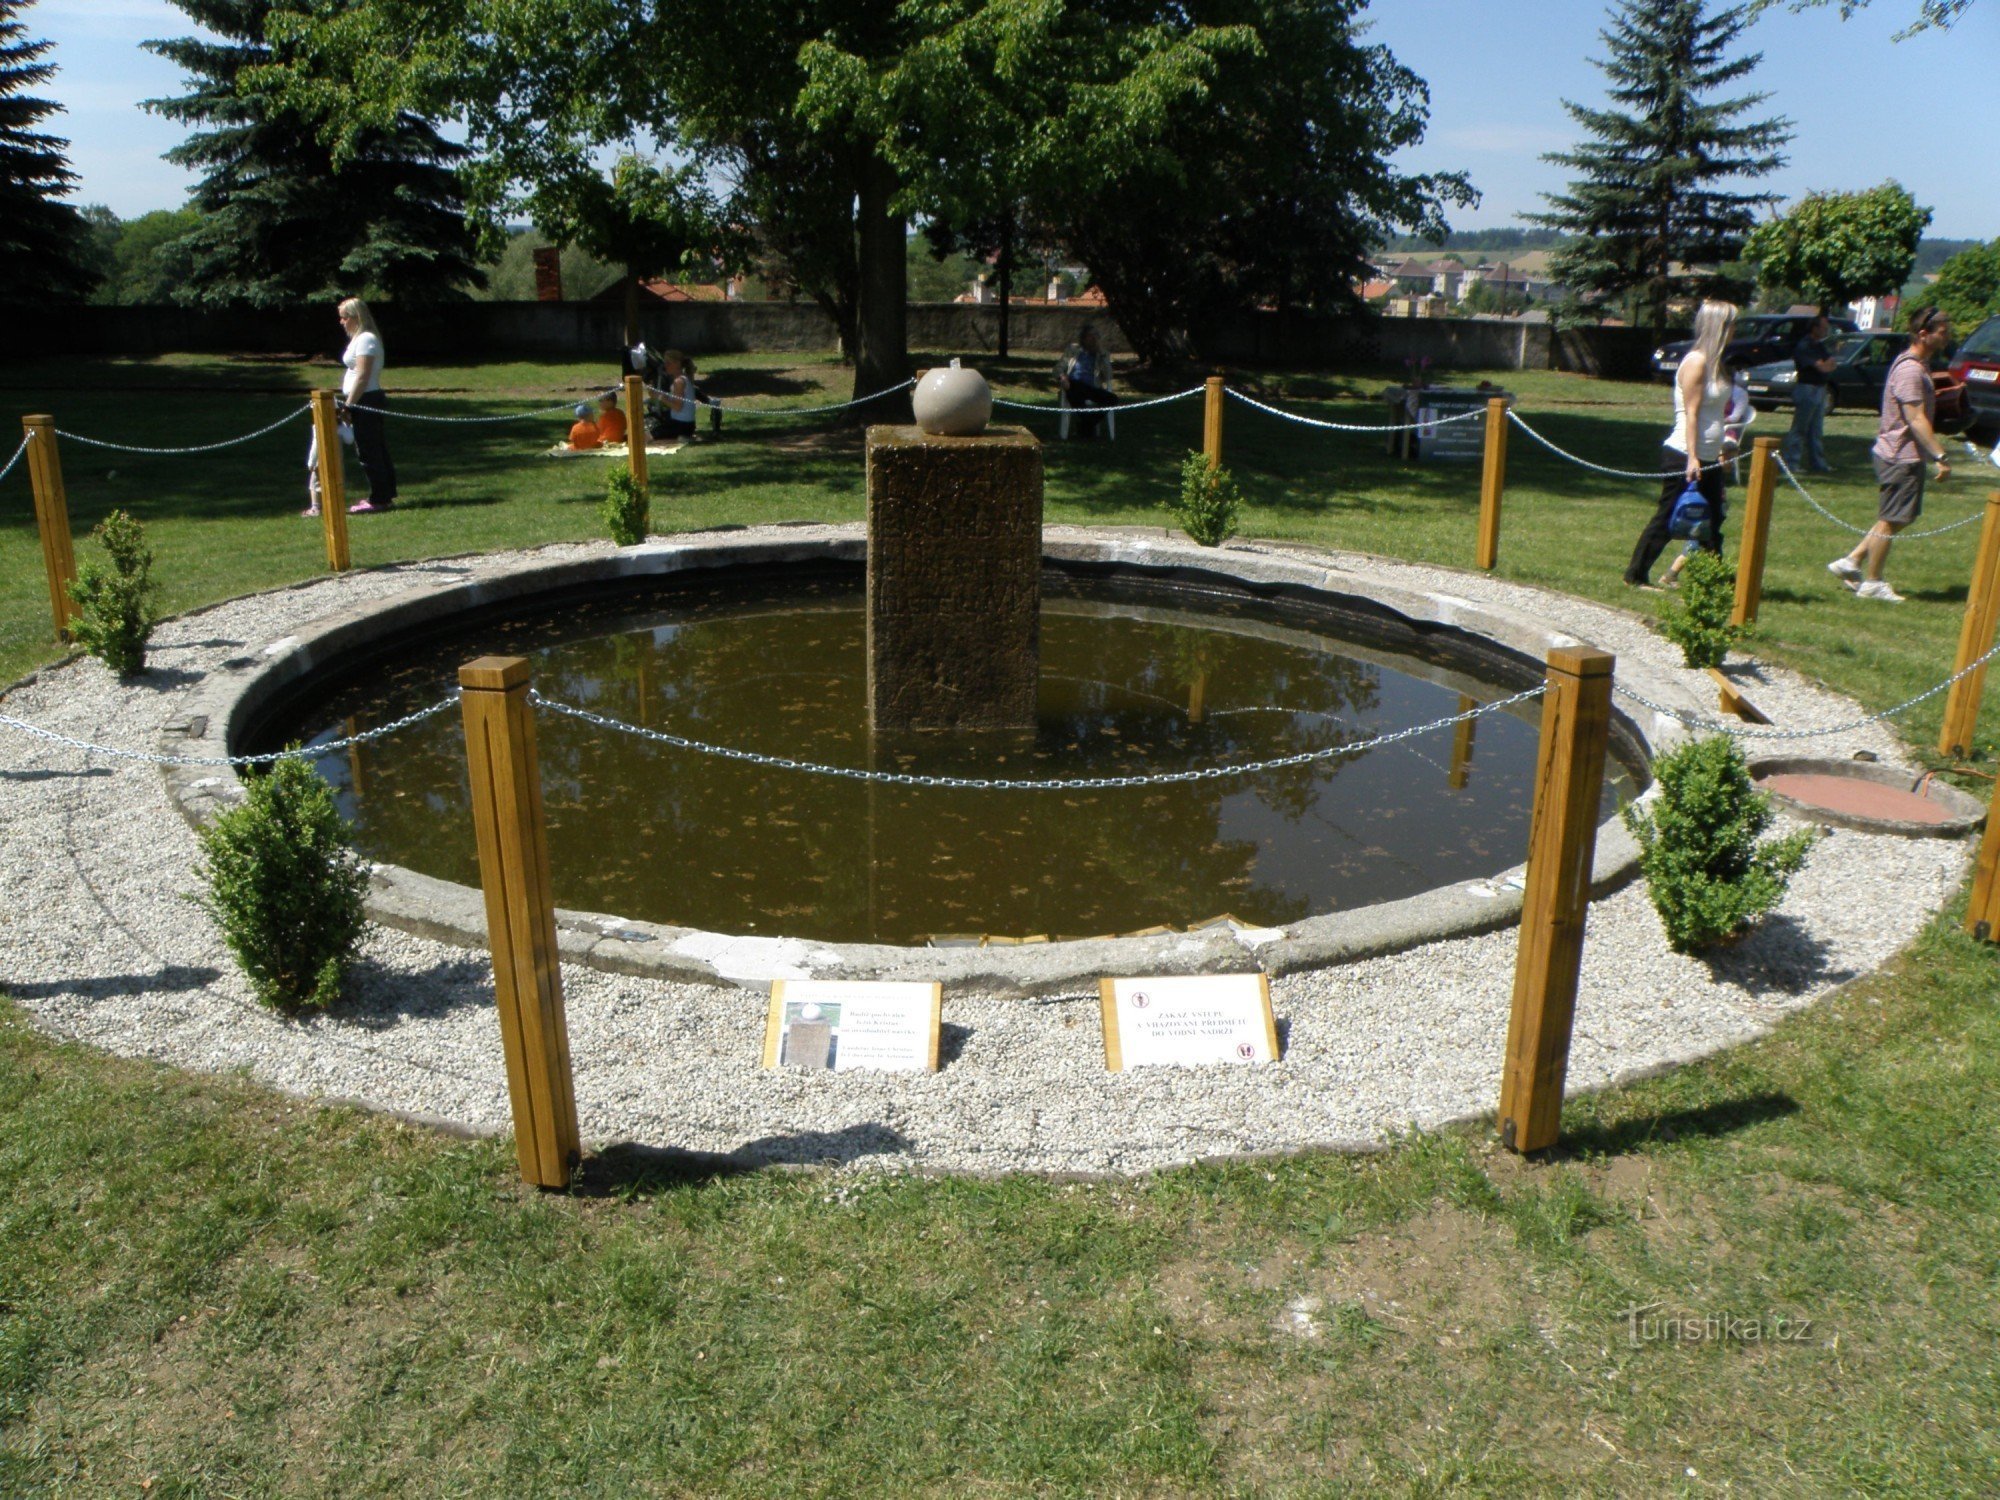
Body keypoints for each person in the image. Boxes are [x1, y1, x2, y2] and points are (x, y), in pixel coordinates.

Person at [1828, 306, 1956, 603]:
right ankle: (1873, 582)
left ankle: (1852, 561)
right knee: (1891, 518)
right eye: (1942, 332)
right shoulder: (1911, 369)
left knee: (1899, 516)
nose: (1947, 337)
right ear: (1924, 334)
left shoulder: (1917, 364)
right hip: (1900, 455)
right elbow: (1915, 417)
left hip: (1900, 453)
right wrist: (1939, 455)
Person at [1625, 300, 1737, 590]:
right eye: (1732, 324)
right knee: (1668, 517)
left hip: (1709, 454)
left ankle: (1713, 582)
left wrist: (1722, 448)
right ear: (1719, 328)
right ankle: (1635, 576)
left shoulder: (1718, 364)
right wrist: (1693, 458)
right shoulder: (1697, 362)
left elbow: (1718, 413)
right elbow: (1692, 414)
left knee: (1713, 519)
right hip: (1684, 454)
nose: (1736, 330)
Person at [1664, 369, 1752, 587]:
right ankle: (1675, 575)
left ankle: (1713, 576)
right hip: (1704, 483)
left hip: (1717, 493)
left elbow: (1725, 462)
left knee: (1709, 536)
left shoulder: (1725, 422)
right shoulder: (1712, 426)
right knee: (1700, 536)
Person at [336, 297, 397, 513]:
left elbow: (362, 376)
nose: (341, 322)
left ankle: (379, 498)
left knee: (370, 450)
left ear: (355, 317)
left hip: (367, 398)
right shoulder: (359, 339)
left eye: (344, 317)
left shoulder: (366, 340)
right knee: (372, 448)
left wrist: (349, 405)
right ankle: (384, 493)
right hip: (363, 398)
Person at [1782, 311, 1837, 473]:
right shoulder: (1805, 345)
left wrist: (1826, 366)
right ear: (1814, 328)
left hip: (1820, 389)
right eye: (1824, 328)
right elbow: (1822, 366)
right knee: (1800, 428)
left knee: (1816, 429)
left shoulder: (1819, 345)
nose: (1826, 331)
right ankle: (1792, 463)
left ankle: (1818, 463)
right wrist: (1825, 366)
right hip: (1807, 389)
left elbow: (1832, 363)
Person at [1057, 324, 1118, 439]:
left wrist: (1102, 354)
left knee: (1113, 399)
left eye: (1096, 336)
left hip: (1091, 387)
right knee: (1074, 392)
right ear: (1083, 338)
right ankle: (1088, 428)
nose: (1093, 339)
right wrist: (1062, 377)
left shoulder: (1102, 354)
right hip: (1073, 384)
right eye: (1090, 336)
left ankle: (1086, 425)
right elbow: (1058, 368)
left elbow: (1109, 376)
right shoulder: (1073, 350)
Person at [652, 349, 699, 442]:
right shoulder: (682, 379)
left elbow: (677, 407)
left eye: (668, 363)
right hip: (685, 424)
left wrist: (660, 397)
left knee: (647, 436)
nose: (666, 366)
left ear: (677, 364)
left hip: (682, 425)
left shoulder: (679, 382)